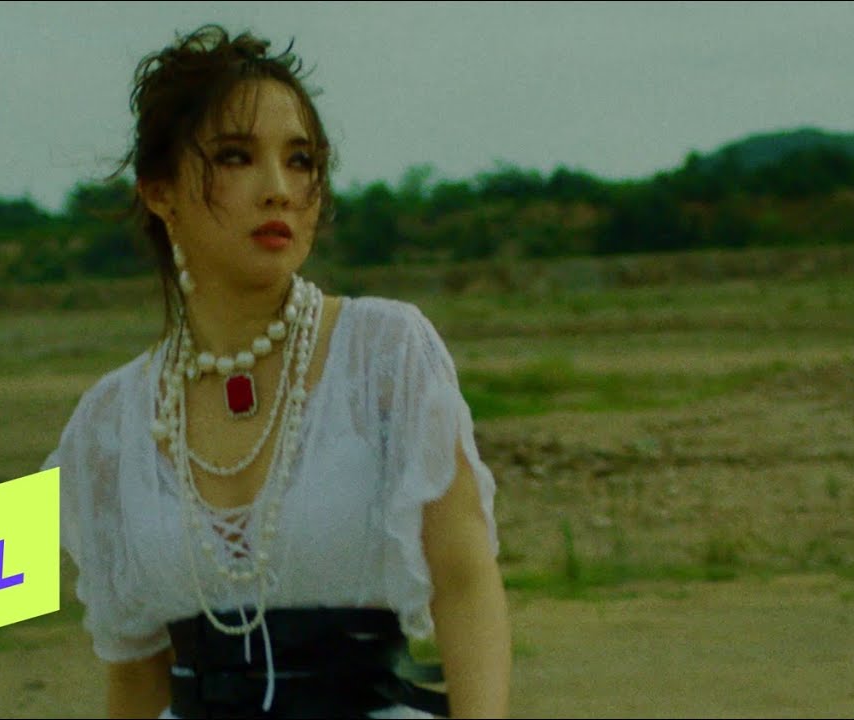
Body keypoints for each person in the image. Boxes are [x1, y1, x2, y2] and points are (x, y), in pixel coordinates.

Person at [44, 24, 510, 719]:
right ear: (160, 192)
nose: (279, 190)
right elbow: (136, 673)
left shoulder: (384, 354)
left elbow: (465, 584)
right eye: (236, 157)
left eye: (301, 161)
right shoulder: (110, 426)